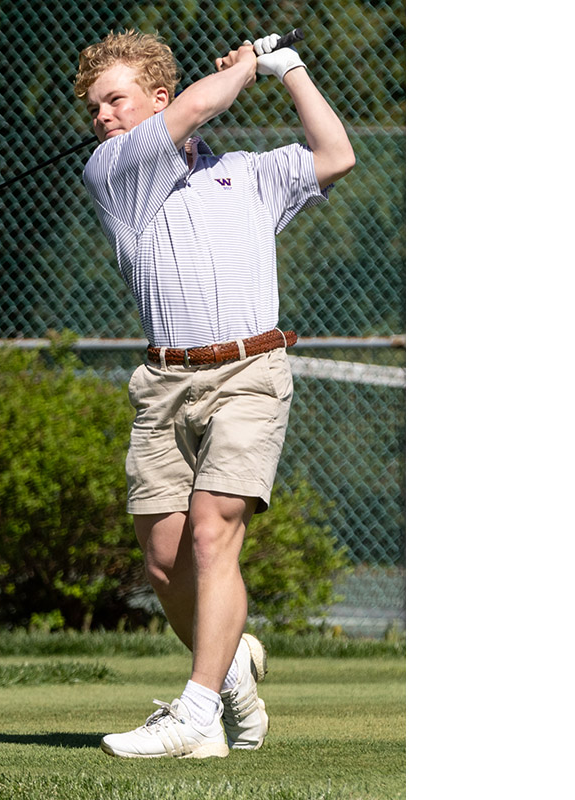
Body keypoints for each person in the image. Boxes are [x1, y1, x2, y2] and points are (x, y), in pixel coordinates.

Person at [74, 30, 355, 759]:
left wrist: (286, 69)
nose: (102, 115)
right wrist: (238, 74)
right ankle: (231, 668)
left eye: (116, 99)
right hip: (163, 382)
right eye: (94, 105)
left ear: (155, 96)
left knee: (212, 533)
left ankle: (197, 717)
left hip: (249, 372)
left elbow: (336, 154)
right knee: (166, 563)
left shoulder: (249, 173)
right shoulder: (115, 169)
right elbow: (200, 106)